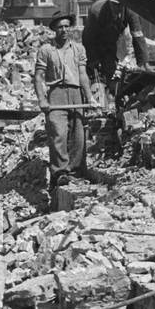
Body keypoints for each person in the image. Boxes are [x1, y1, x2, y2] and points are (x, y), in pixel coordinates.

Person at [34, 14, 93, 200]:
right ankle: (59, 173)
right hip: (56, 94)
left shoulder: (79, 49)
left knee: (78, 135)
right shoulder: (46, 50)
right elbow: (38, 77)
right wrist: (42, 99)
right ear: (54, 29)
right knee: (58, 133)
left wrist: (90, 97)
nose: (64, 30)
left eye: (67, 26)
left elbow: (83, 75)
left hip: (76, 94)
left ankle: (75, 172)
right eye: (60, 27)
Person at [82, 0, 149, 89]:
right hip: (96, 42)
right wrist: (93, 60)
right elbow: (88, 38)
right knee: (94, 73)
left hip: (113, 43)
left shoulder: (131, 11)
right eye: (114, 5)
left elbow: (138, 36)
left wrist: (143, 63)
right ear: (109, 2)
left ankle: (110, 91)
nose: (117, 7)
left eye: (120, 5)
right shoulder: (97, 10)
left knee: (110, 71)